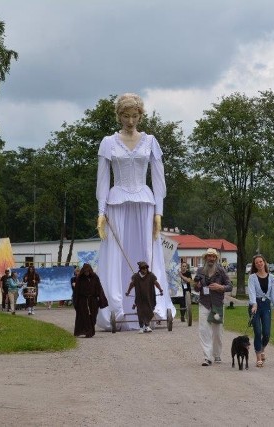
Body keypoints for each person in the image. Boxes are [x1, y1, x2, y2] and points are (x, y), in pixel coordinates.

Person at [94, 93, 175, 331]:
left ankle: (154, 307)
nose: (130, 121)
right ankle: (117, 307)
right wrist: (100, 211)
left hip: (144, 202)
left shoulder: (150, 141)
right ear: (119, 116)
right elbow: (102, 179)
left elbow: (158, 179)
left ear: (141, 115)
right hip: (116, 202)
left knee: (148, 252)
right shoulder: (108, 142)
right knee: (116, 254)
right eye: (126, 116)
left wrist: (159, 212)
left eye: (135, 116)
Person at [194, 248, 232, 366]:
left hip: (217, 304)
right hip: (204, 303)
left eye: (213, 256)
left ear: (216, 259)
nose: (211, 258)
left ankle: (217, 354)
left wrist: (221, 287)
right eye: (209, 256)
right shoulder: (200, 270)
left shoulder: (221, 271)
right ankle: (207, 357)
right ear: (205, 258)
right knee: (204, 330)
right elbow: (196, 288)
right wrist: (197, 285)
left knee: (217, 332)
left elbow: (229, 286)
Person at [247, 254, 274, 368]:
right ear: (255, 265)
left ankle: (262, 348)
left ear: (264, 262)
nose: (259, 264)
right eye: (257, 263)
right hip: (255, 305)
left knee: (266, 333)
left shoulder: (272, 277)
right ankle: (258, 357)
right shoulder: (252, 277)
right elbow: (251, 291)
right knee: (257, 331)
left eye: (261, 262)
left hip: (266, 305)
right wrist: (254, 304)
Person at [125, 261, 164, 333]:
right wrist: (128, 292)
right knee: (140, 312)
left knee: (149, 310)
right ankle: (141, 327)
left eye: (146, 268)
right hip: (140, 298)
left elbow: (156, 283)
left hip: (149, 297)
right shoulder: (136, 277)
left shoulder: (151, 275)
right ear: (140, 269)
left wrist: (160, 290)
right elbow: (131, 284)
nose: (145, 269)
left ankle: (147, 326)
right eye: (143, 268)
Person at [74, 264, 108, 338]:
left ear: (90, 271)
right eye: (85, 271)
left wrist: (102, 299)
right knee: (84, 316)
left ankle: (91, 331)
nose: (87, 273)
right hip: (83, 300)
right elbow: (76, 291)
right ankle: (88, 332)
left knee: (93, 316)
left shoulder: (95, 277)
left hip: (93, 300)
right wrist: (76, 302)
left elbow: (99, 288)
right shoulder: (80, 278)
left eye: (88, 271)